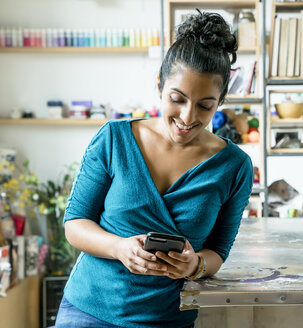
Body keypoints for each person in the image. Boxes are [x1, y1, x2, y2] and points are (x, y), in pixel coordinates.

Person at [55, 11, 253, 328]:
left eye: (205, 105)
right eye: (177, 99)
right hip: (88, 310)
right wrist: (118, 248)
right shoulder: (114, 139)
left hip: (166, 318)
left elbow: (218, 250)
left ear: (220, 101)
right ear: (159, 84)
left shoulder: (234, 166)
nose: (188, 117)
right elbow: (75, 223)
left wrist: (195, 265)